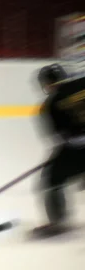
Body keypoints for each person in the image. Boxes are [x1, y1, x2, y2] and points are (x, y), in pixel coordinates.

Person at [33, 64, 85, 237]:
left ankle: (57, 221)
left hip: (77, 149)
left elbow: (58, 137)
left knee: (52, 179)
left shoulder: (51, 104)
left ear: (47, 83)